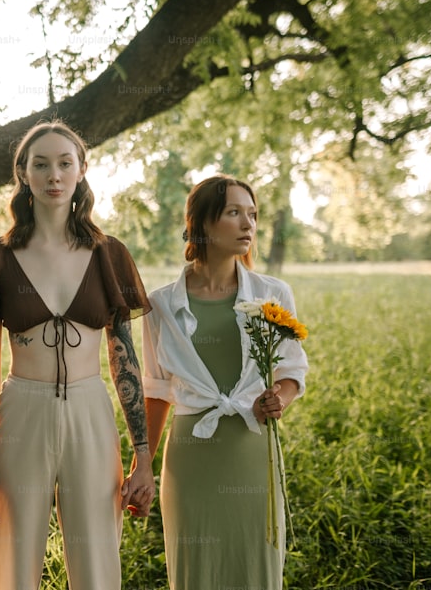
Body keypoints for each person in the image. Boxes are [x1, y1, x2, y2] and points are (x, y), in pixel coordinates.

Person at [0, 120, 155, 590]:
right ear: (23, 174)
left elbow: (124, 359)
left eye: (65, 163)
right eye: (41, 164)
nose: (54, 175)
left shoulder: (110, 255)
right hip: (21, 408)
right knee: (15, 550)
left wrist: (144, 456)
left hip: (91, 409)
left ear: (82, 170)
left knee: (96, 556)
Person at [142, 175, 309, 590]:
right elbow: (157, 390)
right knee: (196, 570)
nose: (248, 224)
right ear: (201, 224)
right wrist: (140, 463)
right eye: (234, 213)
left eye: (252, 214)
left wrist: (280, 399)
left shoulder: (273, 294)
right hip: (190, 457)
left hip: (253, 452)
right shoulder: (160, 304)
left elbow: (292, 369)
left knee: (254, 566)